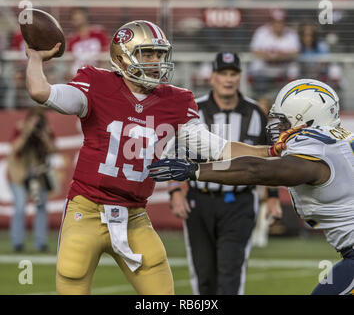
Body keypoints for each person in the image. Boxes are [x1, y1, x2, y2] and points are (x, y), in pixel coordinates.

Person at [24, 20, 288, 295]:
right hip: (87, 209)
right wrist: (34, 58)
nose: (156, 61)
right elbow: (41, 92)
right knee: (72, 277)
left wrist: (267, 150)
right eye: (147, 54)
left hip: (134, 214)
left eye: (160, 54)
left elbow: (218, 149)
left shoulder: (175, 101)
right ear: (123, 56)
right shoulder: (97, 83)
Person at [148, 78, 354, 295]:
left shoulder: (315, 149)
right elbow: (260, 158)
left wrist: (195, 170)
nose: (277, 126)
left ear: (306, 119)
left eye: (284, 121)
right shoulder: (336, 139)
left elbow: (258, 171)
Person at [166, 52, 282, 295]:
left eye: (233, 74)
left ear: (240, 77)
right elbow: (172, 151)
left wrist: (272, 196)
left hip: (239, 202)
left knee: (230, 276)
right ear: (212, 77)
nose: (228, 79)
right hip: (200, 199)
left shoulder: (255, 112)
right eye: (223, 73)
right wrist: (175, 192)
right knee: (204, 277)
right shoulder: (193, 108)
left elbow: (268, 157)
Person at [7, 106, 57, 252]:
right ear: (28, 120)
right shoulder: (20, 128)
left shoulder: (46, 131)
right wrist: (26, 133)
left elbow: (54, 150)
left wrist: (44, 136)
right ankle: (17, 243)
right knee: (20, 207)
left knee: (41, 207)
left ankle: (40, 243)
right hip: (19, 174)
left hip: (38, 174)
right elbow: (15, 149)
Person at [249, 8, 300, 97]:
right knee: (255, 65)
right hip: (266, 65)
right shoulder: (261, 31)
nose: (278, 24)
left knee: (294, 68)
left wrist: (280, 55)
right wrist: (268, 55)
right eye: (275, 22)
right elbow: (254, 50)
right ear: (271, 22)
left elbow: (296, 51)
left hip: (283, 65)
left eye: (281, 22)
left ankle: (292, 95)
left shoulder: (291, 33)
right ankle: (255, 94)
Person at [67, 7, 110, 76]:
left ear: (85, 16)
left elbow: (106, 52)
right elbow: (70, 61)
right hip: (78, 74)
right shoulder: (72, 39)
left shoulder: (98, 33)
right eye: (75, 18)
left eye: (79, 17)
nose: (77, 20)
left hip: (97, 72)